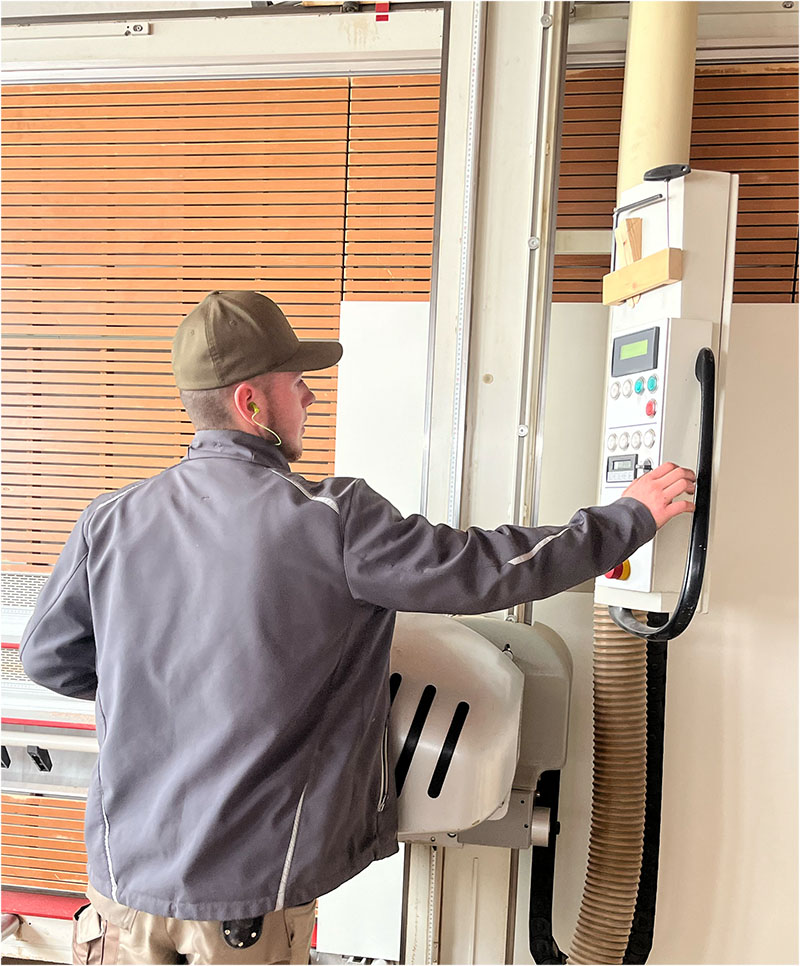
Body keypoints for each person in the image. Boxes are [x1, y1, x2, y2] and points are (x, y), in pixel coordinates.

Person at [20, 291, 696, 965]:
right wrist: (626, 519)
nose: (310, 398)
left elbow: (51, 658)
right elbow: (487, 568)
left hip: (120, 895)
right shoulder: (329, 517)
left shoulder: (107, 520)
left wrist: (163, 691)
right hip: (243, 906)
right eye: (298, 384)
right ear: (253, 404)